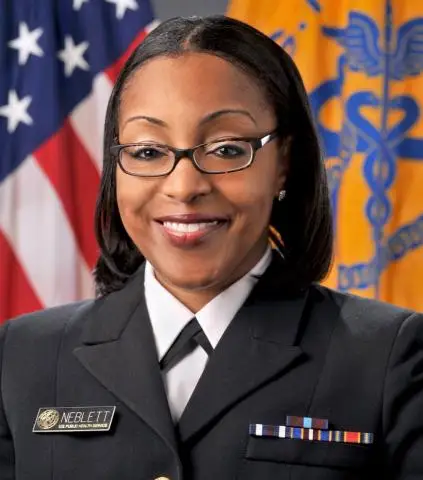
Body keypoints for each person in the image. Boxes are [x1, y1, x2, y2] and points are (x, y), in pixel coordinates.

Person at [0, 15, 422, 480]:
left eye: (226, 149)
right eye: (147, 151)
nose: (183, 187)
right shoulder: (20, 357)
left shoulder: (390, 358)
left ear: (284, 162)